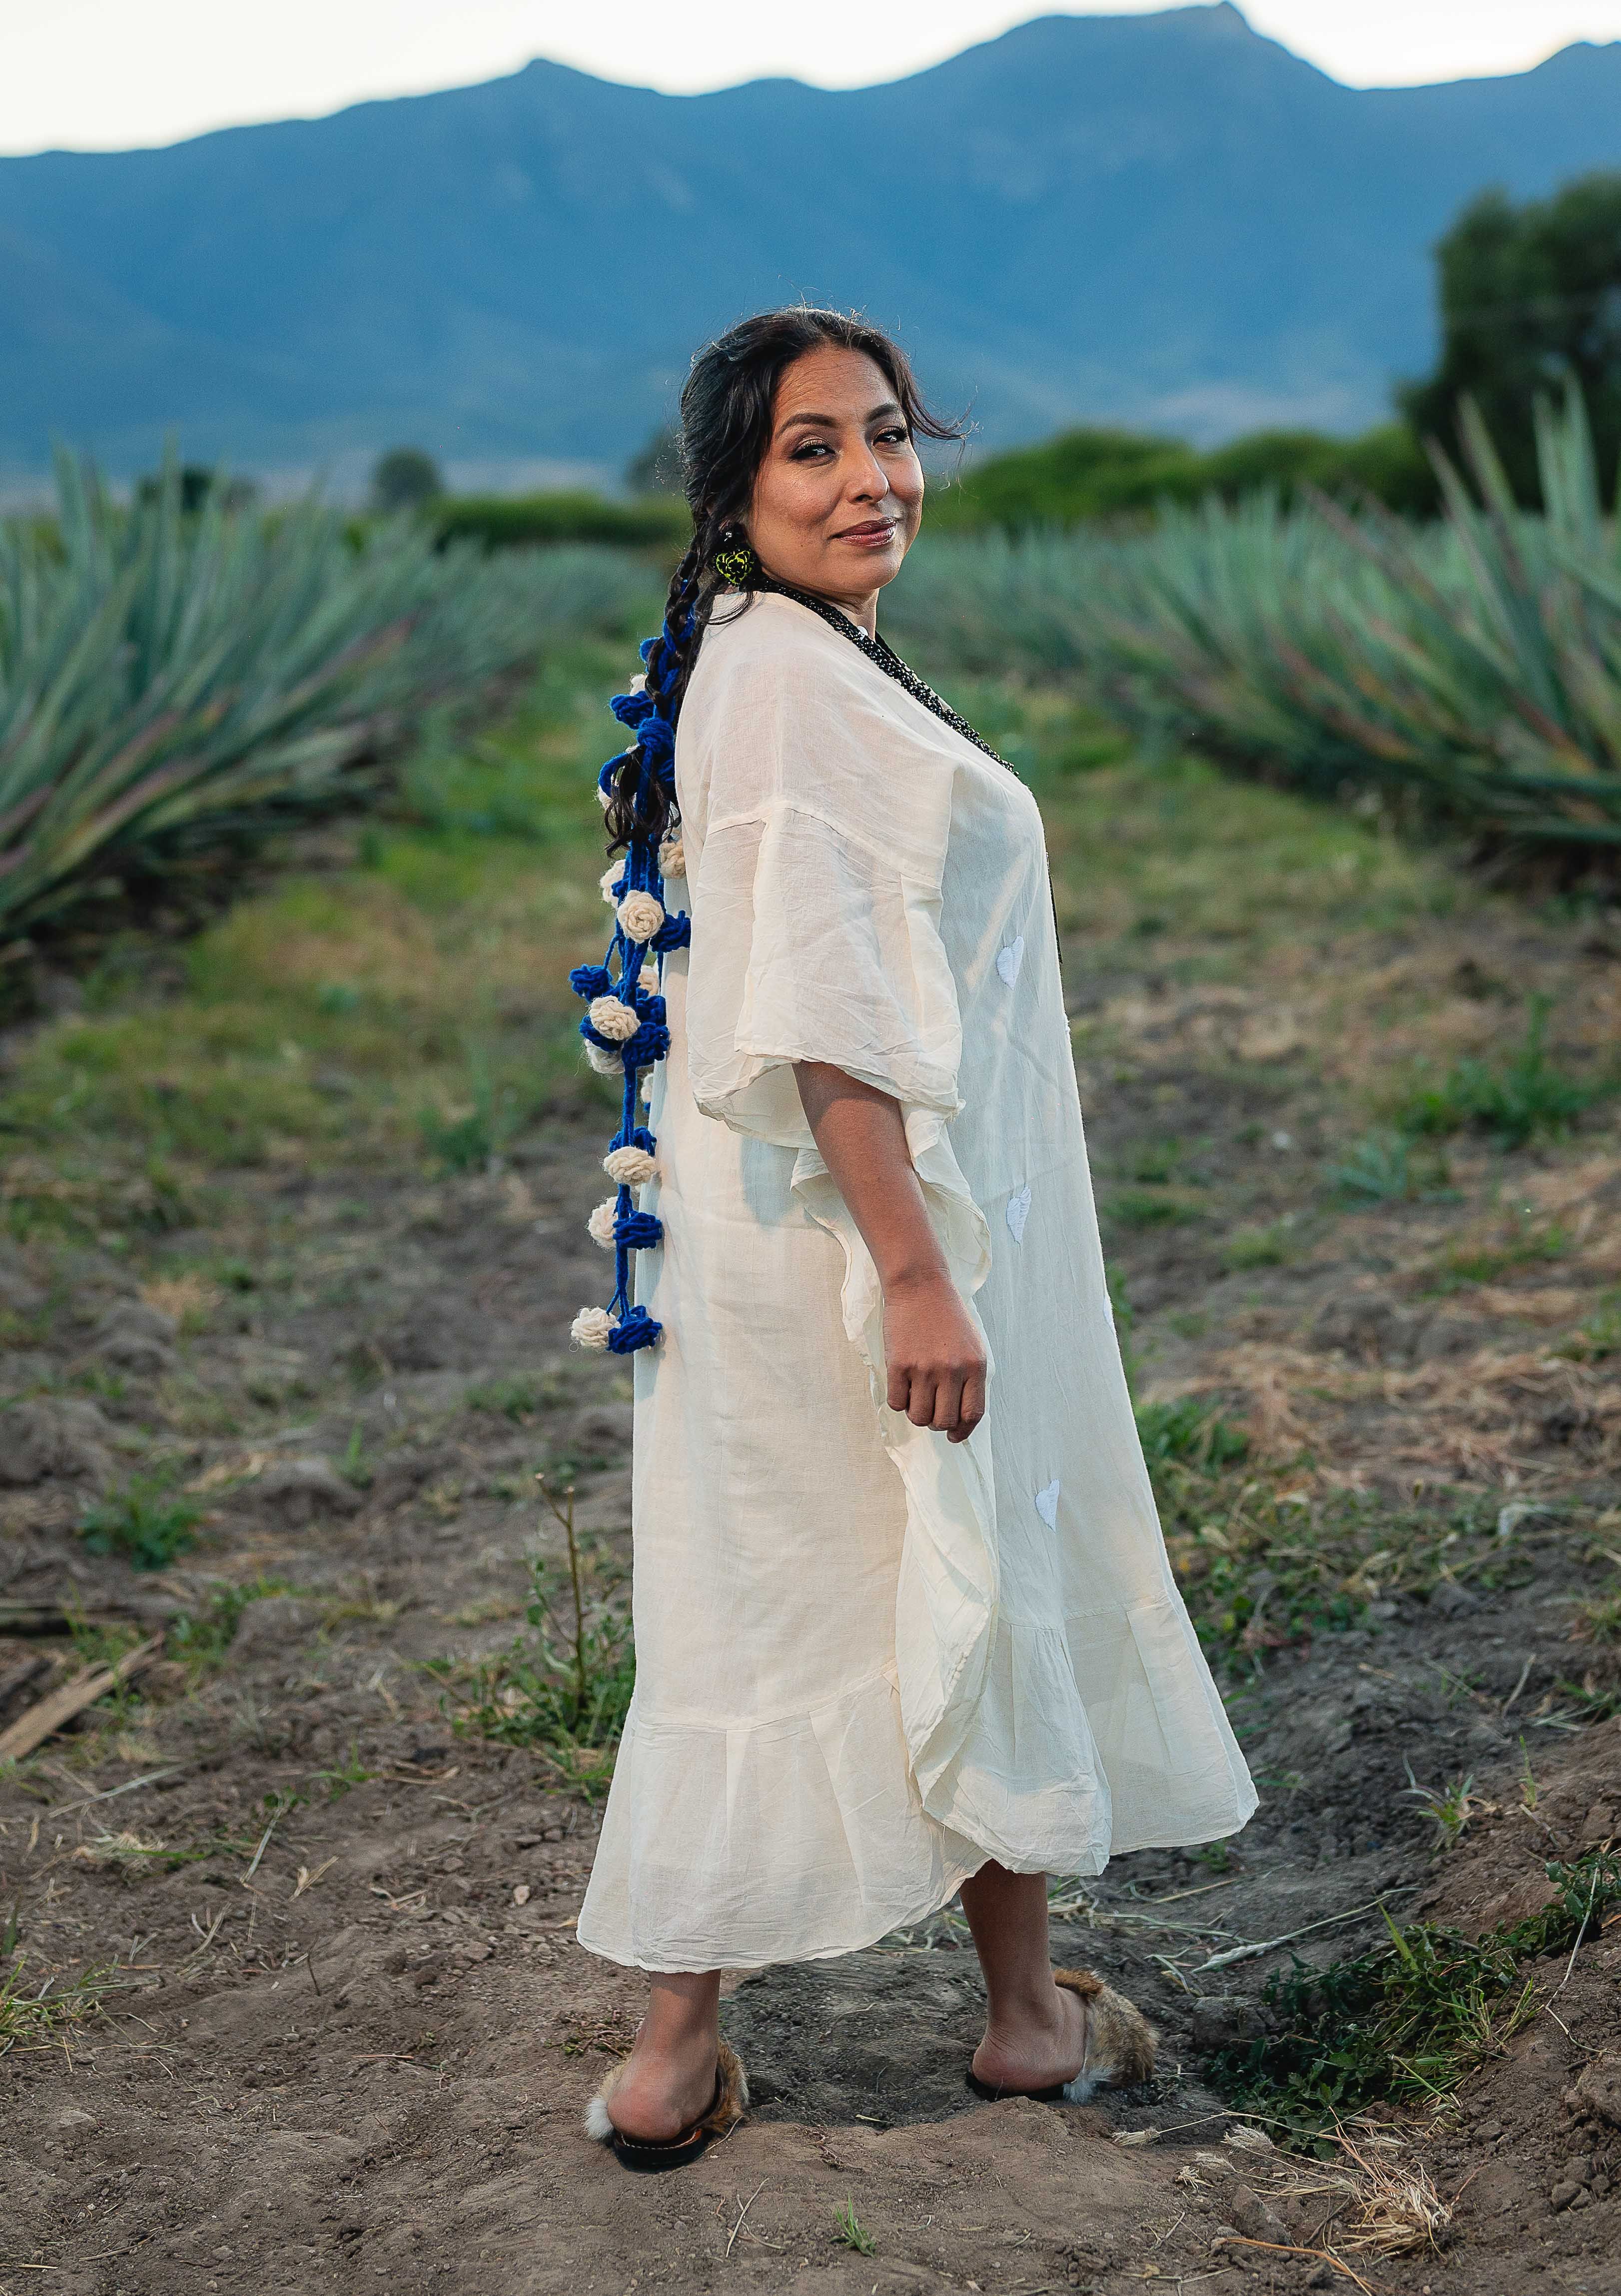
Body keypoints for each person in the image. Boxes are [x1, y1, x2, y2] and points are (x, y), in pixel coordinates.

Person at [567, 307, 1255, 2170]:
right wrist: (917, 1273)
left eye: (886, 433)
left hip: (813, 1231)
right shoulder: (791, 683)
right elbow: (824, 1015)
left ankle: (784, 2042)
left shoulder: (774, 652)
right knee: (893, 1567)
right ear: (731, 488)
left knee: (834, 1579)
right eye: (812, 447)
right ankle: (937, 2027)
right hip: (862, 1237)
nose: (871, 477)